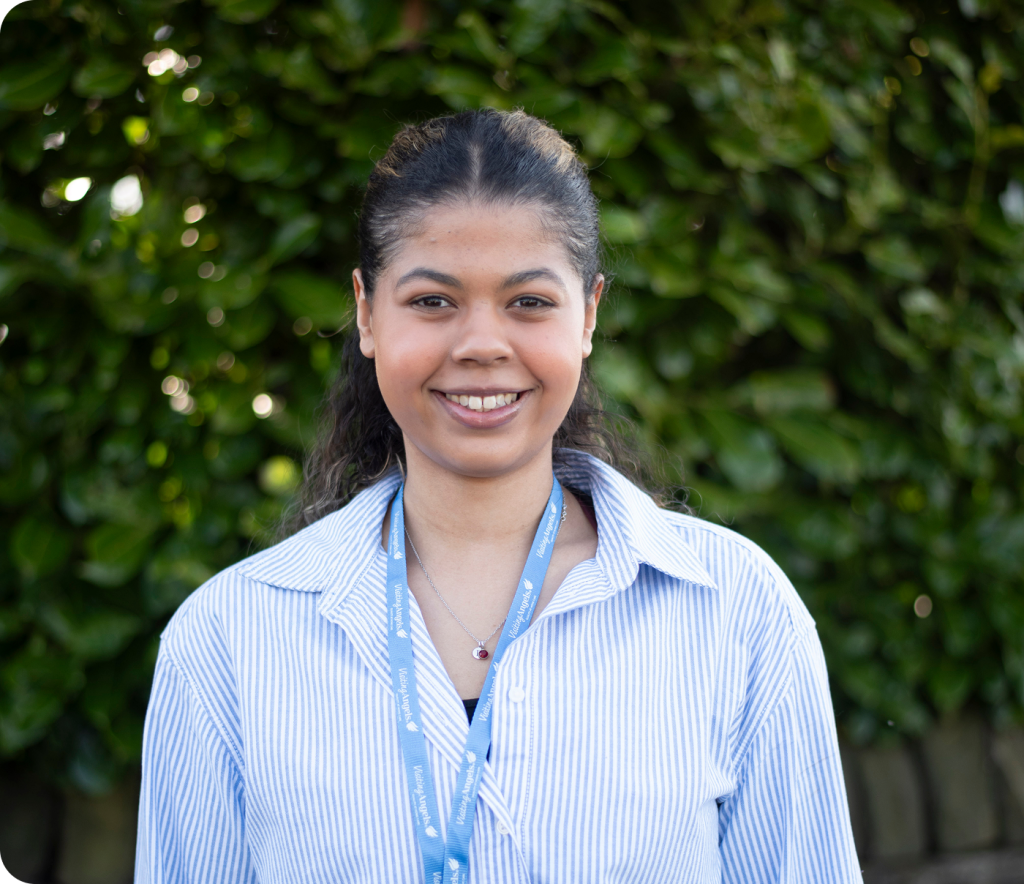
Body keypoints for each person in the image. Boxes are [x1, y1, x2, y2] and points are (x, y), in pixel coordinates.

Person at [136, 108, 863, 883]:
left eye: (529, 302)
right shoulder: (227, 639)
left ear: (588, 315)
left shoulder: (737, 611)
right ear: (366, 312)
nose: (482, 344)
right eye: (432, 301)